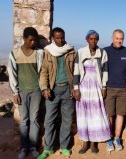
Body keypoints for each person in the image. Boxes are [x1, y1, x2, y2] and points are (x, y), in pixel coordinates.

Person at [38, 27, 76, 159]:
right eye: (57, 37)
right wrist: (44, 88)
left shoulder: (71, 51)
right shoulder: (48, 51)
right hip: (53, 90)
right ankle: (48, 149)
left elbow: (75, 71)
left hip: (67, 89)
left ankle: (64, 147)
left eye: (62, 37)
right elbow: (43, 72)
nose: (60, 40)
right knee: (49, 120)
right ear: (52, 38)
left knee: (67, 119)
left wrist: (75, 88)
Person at [7, 27, 43, 159]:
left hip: (36, 92)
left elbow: (42, 73)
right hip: (21, 92)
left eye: (35, 40)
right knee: (24, 121)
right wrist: (15, 92)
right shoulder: (15, 53)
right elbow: (12, 74)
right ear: (24, 39)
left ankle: (33, 147)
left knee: (34, 120)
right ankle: (23, 148)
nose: (33, 43)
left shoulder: (39, 53)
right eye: (31, 40)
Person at [73, 30, 111, 154]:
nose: (93, 41)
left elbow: (105, 70)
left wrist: (104, 87)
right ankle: (85, 143)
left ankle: (94, 143)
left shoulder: (102, 53)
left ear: (98, 40)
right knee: (83, 115)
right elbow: (76, 71)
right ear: (87, 40)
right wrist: (76, 88)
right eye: (91, 39)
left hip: (96, 86)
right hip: (84, 86)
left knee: (96, 114)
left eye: (95, 39)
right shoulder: (81, 52)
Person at [104, 29, 126, 152]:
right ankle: (109, 139)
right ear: (112, 38)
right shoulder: (105, 51)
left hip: (123, 88)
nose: (119, 40)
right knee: (109, 114)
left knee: (120, 114)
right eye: (117, 38)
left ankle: (117, 138)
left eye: (121, 39)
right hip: (109, 88)